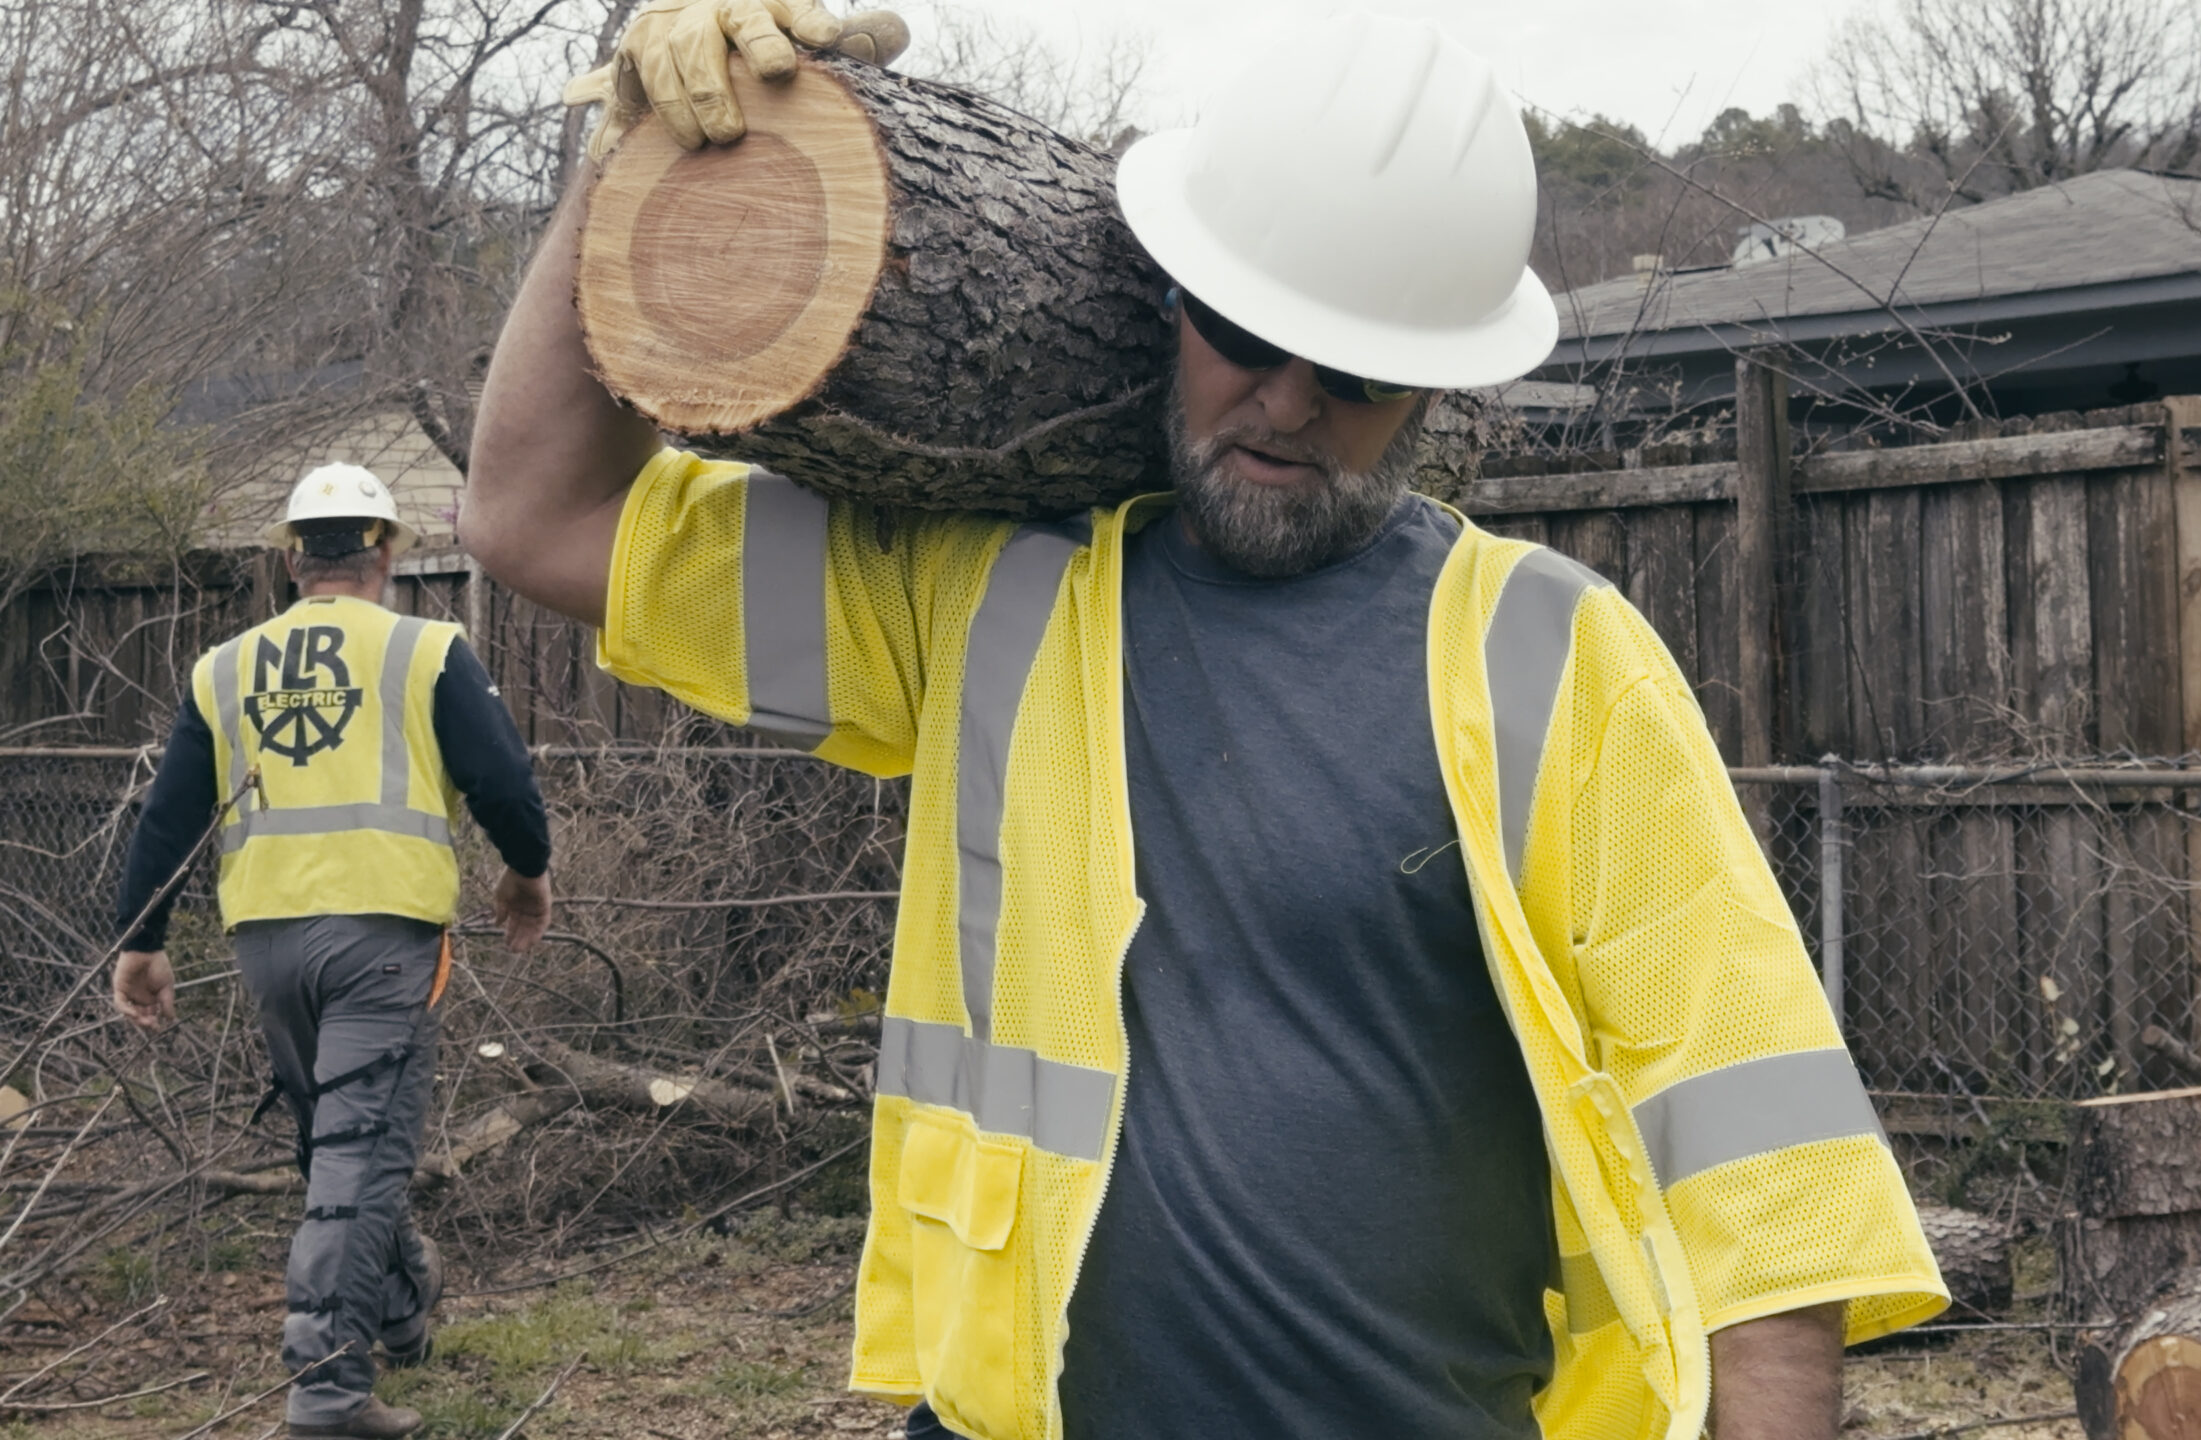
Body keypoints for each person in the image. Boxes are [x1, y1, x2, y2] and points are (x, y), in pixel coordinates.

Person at [467, 11, 1946, 1440]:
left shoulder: (1551, 659)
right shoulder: (981, 602)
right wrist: (631, 157)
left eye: (1356, 371)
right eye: (1247, 333)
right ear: (1172, 298)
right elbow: (536, 514)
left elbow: (1763, 1155)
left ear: (1436, 383)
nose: (1289, 405)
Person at [112, 464, 554, 1440]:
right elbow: (503, 783)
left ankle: (401, 1303)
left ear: (288, 560)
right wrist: (525, 873)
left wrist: (140, 944)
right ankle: (324, 1395)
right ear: (386, 553)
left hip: (267, 945)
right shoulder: (425, 648)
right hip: (382, 941)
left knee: (340, 1150)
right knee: (356, 1163)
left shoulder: (222, 669)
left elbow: (169, 819)